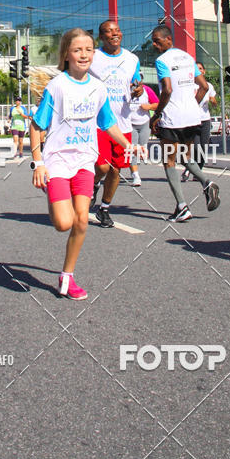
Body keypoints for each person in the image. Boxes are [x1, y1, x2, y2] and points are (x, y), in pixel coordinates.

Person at [30, 28, 138, 299]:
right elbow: (36, 126)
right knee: (63, 224)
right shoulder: (57, 87)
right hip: (56, 162)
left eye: (89, 50)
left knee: (81, 221)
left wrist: (129, 144)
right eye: (77, 50)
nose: (84, 55)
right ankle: (52, 195)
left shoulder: (98, 87)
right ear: (66, 54)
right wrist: (39, 164)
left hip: (83, 163)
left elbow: (108, 123)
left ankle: (67, 276)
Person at [150, 25, 220, 222]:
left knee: (169, 161)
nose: (154, 44)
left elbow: (167, 90)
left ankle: (182, 206)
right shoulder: (188, 58)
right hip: (192, 117)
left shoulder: (162, 60)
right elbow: (204, 86)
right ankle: (207, 183)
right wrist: (192, 104)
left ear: (168, 39)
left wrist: (156, 114)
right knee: (184, 156)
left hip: (172, 119)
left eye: (157, 40)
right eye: (154, 41)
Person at [89, 20, 143, 227]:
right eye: (109, 32)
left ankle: (104, 209)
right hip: (99, 122)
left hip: (124, 122)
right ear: (101, 37)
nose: (115, 34)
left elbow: (136, 82)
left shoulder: (132, 58)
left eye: (117, 30)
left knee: (116, 170)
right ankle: (94, 184)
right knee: (102, 166)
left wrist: (138, 88)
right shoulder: (93, 56)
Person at [182, 62, 217, 182]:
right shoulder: (188, 86)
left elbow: (214, 101)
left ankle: (197, 172)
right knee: (196, 148)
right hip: (192, 120)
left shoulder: (209, 86)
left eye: (201, 69)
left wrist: (213, 101)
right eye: (197, 69)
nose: (199, 71)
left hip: (205, 119)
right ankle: (190, 169)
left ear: (204, 71)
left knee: (203, 147)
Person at [129, 81, 159, 187]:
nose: (136, 82)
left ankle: (135, 169)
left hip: (144, 124)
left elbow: (158, 104)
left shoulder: (147, 90)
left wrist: (149, 107)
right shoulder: (125, 89)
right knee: (132, 149)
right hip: (130, 124)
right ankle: (135, 175)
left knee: (141, 149)